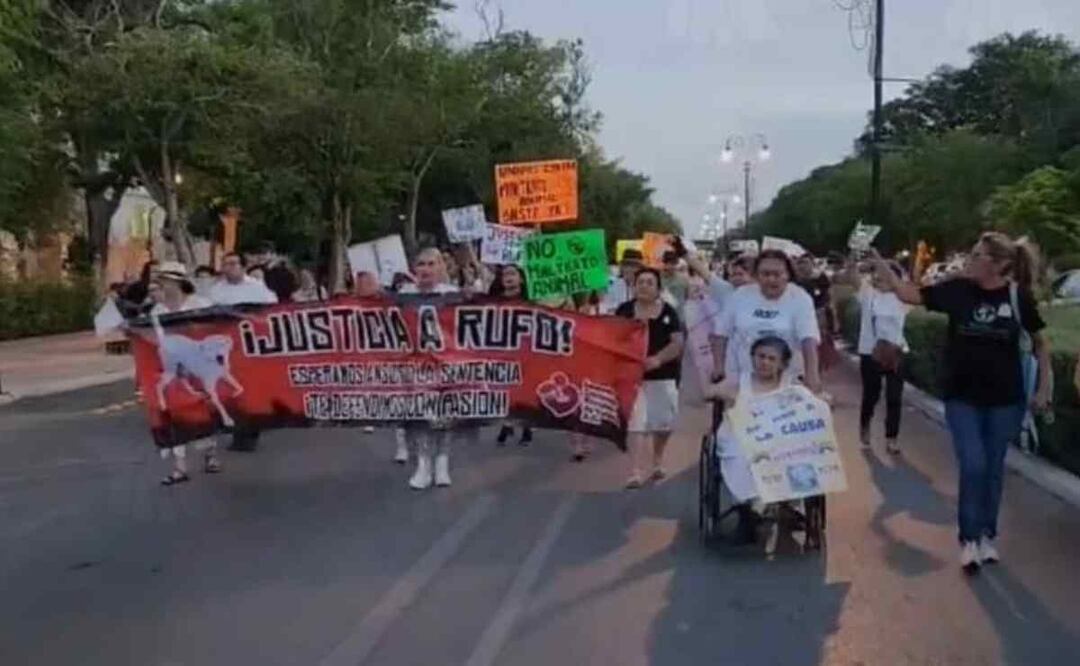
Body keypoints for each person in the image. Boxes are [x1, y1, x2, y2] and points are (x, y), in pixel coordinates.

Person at [871, 232, 1052, 573]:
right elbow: (908, 294)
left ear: (999, 265)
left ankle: (987, 535)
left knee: (993, 468)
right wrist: (880, 262)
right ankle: (969, 538)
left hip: (1005, 399)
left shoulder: (1017, 297)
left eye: (978, 255)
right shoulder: (956, 291)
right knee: (973, 464)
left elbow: (1041, 345)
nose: (969, 259)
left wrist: (1043, 390)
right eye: (971, 252)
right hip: (962, 397)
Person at [705, 336, 795, 542]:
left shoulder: (790, 385)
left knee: (778, 455)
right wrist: (720, 393)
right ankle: (752, 509)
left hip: (777, 439)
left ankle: (757, 509)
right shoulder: (738, 381)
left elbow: (814, 403)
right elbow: (707, 393)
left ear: (782, 363)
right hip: (738, 436)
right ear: (753, 358)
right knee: (742, 457)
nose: (765, 362)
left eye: (772, 359)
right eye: (761, 356)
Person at [711, 250, 822, 394]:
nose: (771, 279)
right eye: (765, 274)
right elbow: (721, 334)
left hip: (786, 380)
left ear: (788, 275)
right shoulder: (739, 296)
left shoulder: (800, 298)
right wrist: (718, 367)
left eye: (777, 274)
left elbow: (808, 339)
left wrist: (812, 375)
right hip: (741, 378)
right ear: (756, 275)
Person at [616, 268, 685, 489]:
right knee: (635, 423)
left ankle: (657, 459)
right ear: (634, 286)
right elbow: (613, 339)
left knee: (663, 424)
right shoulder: (624, 311)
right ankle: (635, 470)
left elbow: (677, 344)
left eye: (649, 282)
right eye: (641, 282)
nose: (644, 286)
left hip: (663, 376)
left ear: (658, 288)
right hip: (632, 377)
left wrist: (658, 359)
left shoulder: (669, 312)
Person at [150, 262, 217, 486]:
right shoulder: (157, 311)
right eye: (161, 281)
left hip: (199, 369)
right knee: (175, 416)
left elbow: (213, 332)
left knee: (202, 413)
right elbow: (154, 340)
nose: (162, 285)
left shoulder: (200, 305)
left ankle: (210, 455)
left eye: (166, 281)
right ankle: (180, 467)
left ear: (178, 282)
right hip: (172, 371)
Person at [398, 248, 459, 489]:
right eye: (421, 264)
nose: (426, 269)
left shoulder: (453, 295)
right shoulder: (404, 295)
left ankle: (442, 463)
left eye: (431, 264)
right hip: (416, 364)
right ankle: (423, 465)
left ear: (440, 267)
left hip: (447, 364)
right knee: (420, 416)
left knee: (445, 417)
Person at [209, 252, 277, 452]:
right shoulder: (217, 291)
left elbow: (272, 310)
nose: (228, 268)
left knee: (250, 391)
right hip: (226, 349)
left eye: (232, 264)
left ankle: (250, 433)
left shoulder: (257, 288)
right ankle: (238, 431)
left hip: (251, 347)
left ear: (242, 267)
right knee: (231, 391)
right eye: (225, 264)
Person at [855, 259, 910, 454]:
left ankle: (891, 438)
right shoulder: (867, 293)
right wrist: (868, 264)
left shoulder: (902, 298)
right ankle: (865, 428)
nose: (881, 277)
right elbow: (855, 276)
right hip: (870, 351)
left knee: (894, 396)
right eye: (878, 273)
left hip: (896, 351)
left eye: (887, 274)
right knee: (871, 394)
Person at [488, 265, 535, 447]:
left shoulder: (531, 301)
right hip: (503, 350)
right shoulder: (495, 301)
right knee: (506, 388)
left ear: (521, 279)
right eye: (505, 274)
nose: (509, 277)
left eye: (513, 273)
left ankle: (526, 428)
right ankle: (508, 423)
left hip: (526, 350)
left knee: (524, 389)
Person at [795, 254, 838, 373]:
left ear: (812, 264)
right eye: (800, 263)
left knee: (819, 343)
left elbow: (828, 295)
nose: (803, 266)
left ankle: (817, 370)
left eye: (805, 262)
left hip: (818, 313)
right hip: (799, 316)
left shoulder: (820, 278)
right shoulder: (794, 281)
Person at [600, 249, 644, 314]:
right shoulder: (614, 285)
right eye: (626, 265)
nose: (629, 269)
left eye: (634, 266)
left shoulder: (645, 285)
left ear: (640, 269)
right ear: (622, 268)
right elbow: (605, 306)